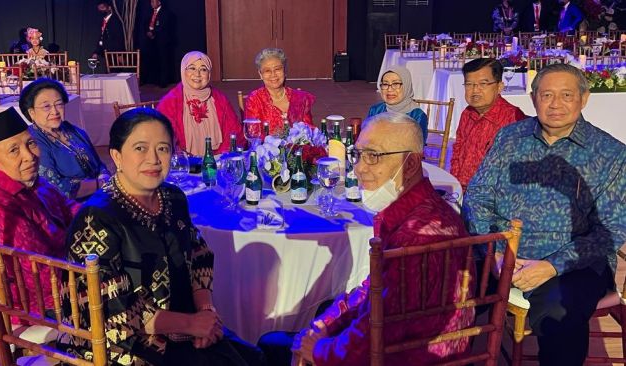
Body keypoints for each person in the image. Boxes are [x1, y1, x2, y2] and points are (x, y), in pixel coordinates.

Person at [258, 112, 474, 366]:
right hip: (403, 340)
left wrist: (319, 350)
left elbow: (376, 336)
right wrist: (325, 325)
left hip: (414, 355)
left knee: (270, 345)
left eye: (373, 156)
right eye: (357, 154)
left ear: (412, 164)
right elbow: (374, 290)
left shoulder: (415, 236)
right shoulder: (420, 209)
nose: (359, 168)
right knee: (316, 317)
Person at [60, 108, 265, 365]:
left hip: (183, 324)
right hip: (125, 344)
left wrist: (204, 312)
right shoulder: (96, 218)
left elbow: (199, 251)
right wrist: (191, 324)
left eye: (163, 149)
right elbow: (108, 308)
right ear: (117, 156)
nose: (154, 159)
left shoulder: (172, 197)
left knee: (255, 357)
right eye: (140, 148)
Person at [463, 63, 626, 365]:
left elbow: (611, 229)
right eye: (547, 95)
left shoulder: (611, 153)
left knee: (559, 314)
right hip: (499, 252)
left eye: (566, 95)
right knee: (442, 288)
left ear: (584, 98)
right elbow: (477, 196)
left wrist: (551, 266)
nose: (556, 104)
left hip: (572, 263)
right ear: (534, 97)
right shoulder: (510, 138)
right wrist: (496, 253)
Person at [0, 107, 79, 321]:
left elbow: (68, 207)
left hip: (62, 270)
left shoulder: (27, 179)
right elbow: (39, 278)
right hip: (33, 304)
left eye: (30, 143)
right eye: (14, 150)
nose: (29, 156)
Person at [19, 78, 110, 199]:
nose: (55, 111)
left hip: (100, 195)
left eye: (59, 104)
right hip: (68, 207)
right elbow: (56, 188)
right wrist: (101, 184)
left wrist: (105, 178)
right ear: (31, 112)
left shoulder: (74, 131)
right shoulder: (33, 141)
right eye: (46, 106)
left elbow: (99, 165)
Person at [450, 58, 526, 191]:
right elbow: (457, 150)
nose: (475, 90)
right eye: (469, 84)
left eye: (483, 84)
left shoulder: (513, 119)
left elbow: (512, 172)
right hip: (461, 191)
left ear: (499, 87)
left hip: (491, 197)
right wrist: (455, 184)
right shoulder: (467, 113)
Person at [157, 51, 245, 156]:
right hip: (184, 163)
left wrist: (220, 158)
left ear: (209, 74)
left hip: (218, 161)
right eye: (192, 68)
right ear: (183, 71)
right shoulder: (170, 102)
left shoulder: (220, 99)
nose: (197, 74)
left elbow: (234, 133)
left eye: (203, 69)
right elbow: (162, 138)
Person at [245, 48, 316, 135]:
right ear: (260, 74)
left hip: (298, 147)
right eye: (267, 71)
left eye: (277, 69)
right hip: (266, 148)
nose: (273, 75)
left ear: (285, 71)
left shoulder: (300, 98)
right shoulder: (255, 99)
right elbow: (253, 134)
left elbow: (309, 131)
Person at [368, 66, 428, 145]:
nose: (389, 89)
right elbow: (366, 139)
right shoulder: (375, 110)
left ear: (406, 86)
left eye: (396, 84)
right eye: (385, 84)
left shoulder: (417, 116)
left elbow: (417, 149)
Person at [141, 0, 175, 87]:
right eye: (151, 2)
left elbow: (164, 26)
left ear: (159, 2)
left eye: (153, 1)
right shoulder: (150, 13)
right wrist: (148, 32)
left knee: (163, 61)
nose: (151, 3)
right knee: (153, 60)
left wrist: (154, 33)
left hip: (161, 40)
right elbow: (146, 24)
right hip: (151, 41)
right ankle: (154, 80)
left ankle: (163, 81)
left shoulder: (165, 13)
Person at [91, 0, 124, 71]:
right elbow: (102, 38)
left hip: (114, 54)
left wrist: (119, 53)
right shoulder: (103, 21)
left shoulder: (115, 20)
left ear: (109, 8)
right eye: (99, 9)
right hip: (107, 54)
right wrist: (96, 52)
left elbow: (119, 37)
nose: (101, 10)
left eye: (102, 8)